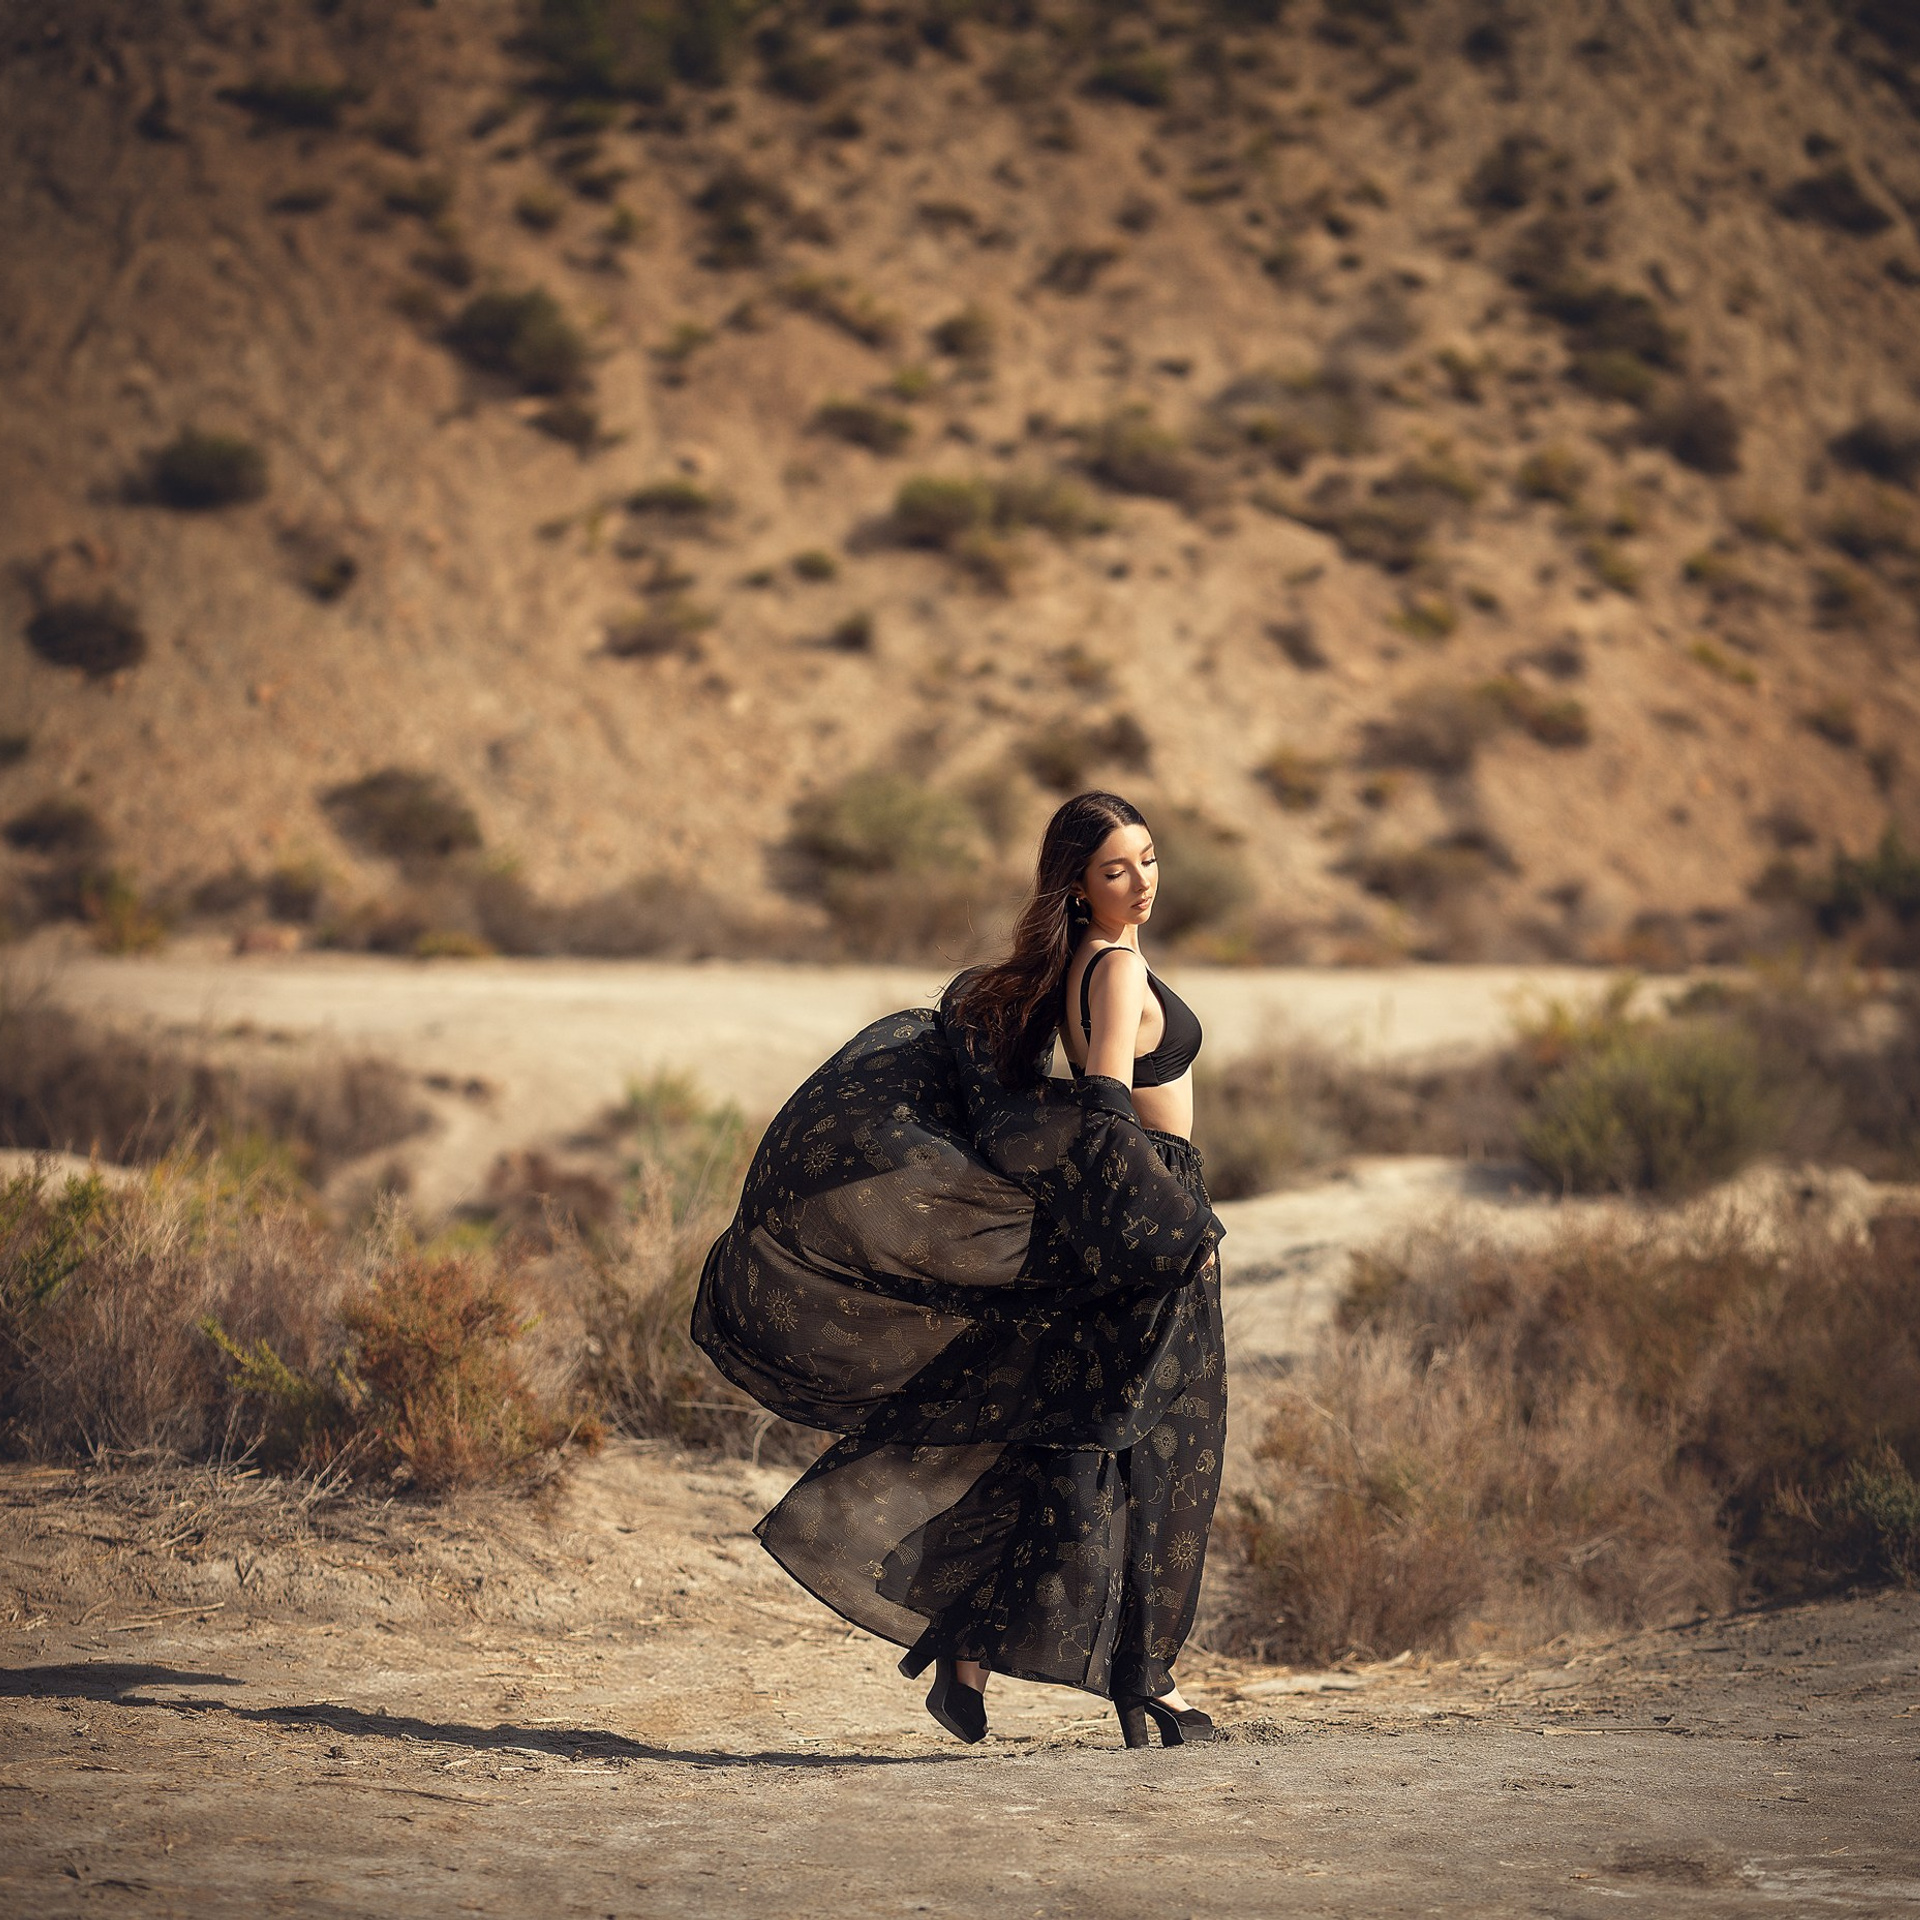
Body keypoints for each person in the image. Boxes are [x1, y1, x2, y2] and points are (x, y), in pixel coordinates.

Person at [693, 791, 1225, 1750]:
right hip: (1142, 1220)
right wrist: (1178, 1226)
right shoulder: (1112, 968)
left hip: (1119, 1216)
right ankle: (1148, 1685)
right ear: (1076, 884)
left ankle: (980, 1653)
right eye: (1116, 869)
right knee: (1153, 1453)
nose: (1142, 881)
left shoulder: (1083, 959)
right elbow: (1107, 1109)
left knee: (1069, 1444)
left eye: (1148, 858)